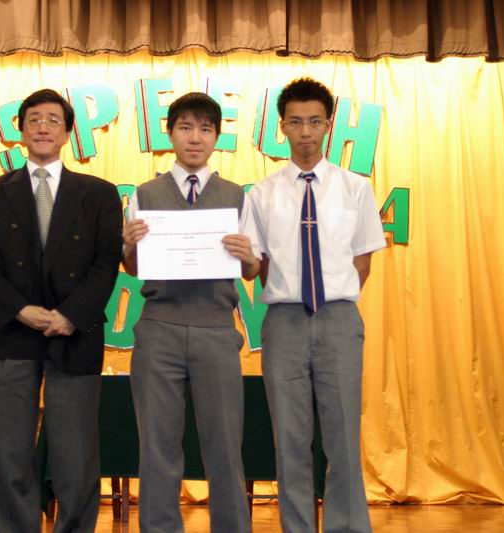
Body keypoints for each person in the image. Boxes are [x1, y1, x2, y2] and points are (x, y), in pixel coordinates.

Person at [0, 88, 123, 533]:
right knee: (9, 451)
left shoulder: (98, 193)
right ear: (20, 130)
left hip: (74, 333)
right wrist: (22, 310)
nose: (43, 127)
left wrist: (70, 315)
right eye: (34, 119)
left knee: (75, 454)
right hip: (11, 332)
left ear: (69, 132)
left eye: (53, 120)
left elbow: (105, 263)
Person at [243, 77, 386, 533]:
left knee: (342, 436)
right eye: (295, 122)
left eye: (314, 121)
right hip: (283, 321)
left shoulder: (355, 188)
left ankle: (348, 526)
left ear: (328, 125)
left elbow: (362, 260)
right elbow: (254, 265)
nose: (305, 131)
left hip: (339, 319)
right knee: (290, 438)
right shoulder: (261, 194)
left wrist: (331, 297)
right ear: (282, 127)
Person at [122, 92, 260, 533]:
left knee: (225, 446)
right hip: (158, 328)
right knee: (157, 447)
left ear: (217, 137)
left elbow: (252, 270)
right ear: (170, 135)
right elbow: (133, 267)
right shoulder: (144, 194)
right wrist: (129, 246)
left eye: (204, 128)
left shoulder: (237, 196)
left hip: (216, 330)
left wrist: (248, 257)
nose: (195, 138)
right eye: (185, 127)